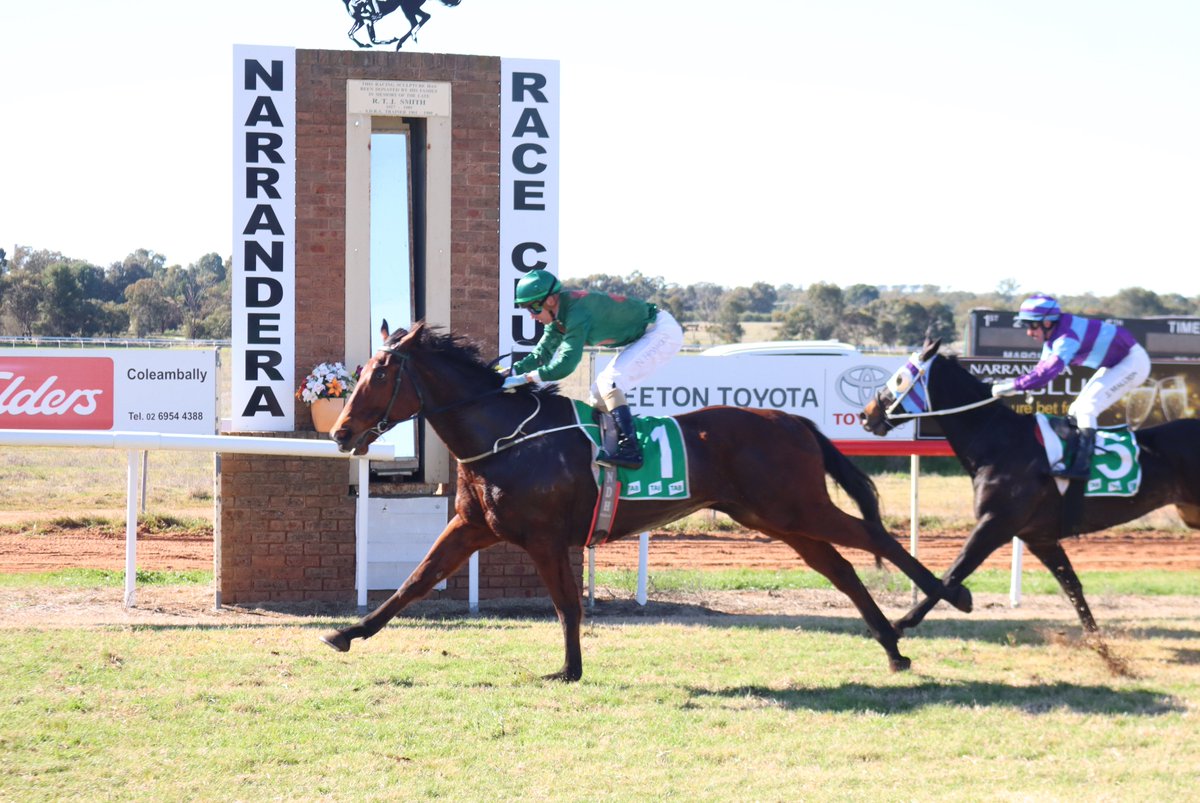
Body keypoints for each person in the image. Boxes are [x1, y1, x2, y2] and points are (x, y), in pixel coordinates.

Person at [503, 269, 684, 469]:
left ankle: (631, 449)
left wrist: (527, 378)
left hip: (661, 332)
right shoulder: (558, 317)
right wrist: (511, 372)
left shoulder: (577, 312)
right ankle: (609, 447)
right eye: (527, 309)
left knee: (610, 383)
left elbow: (566, 365)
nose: (531, 316)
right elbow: (541, 354)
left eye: (533, 308)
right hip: (646, 334)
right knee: (598, 393)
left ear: (551, 300)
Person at [990, 293, 1150, 480]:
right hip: (1117, 362)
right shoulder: (1053, 337)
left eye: (1032, 325)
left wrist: (1013, 386)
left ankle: (1083, 466)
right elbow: (1040, 371)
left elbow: (1047, 373)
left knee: (1087, 408)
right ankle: (1074, 455)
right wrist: (1014, 384)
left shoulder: (1066, 338)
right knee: (1075, 410)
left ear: (1047, 323)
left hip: (1133, 363)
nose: (1029, 333)